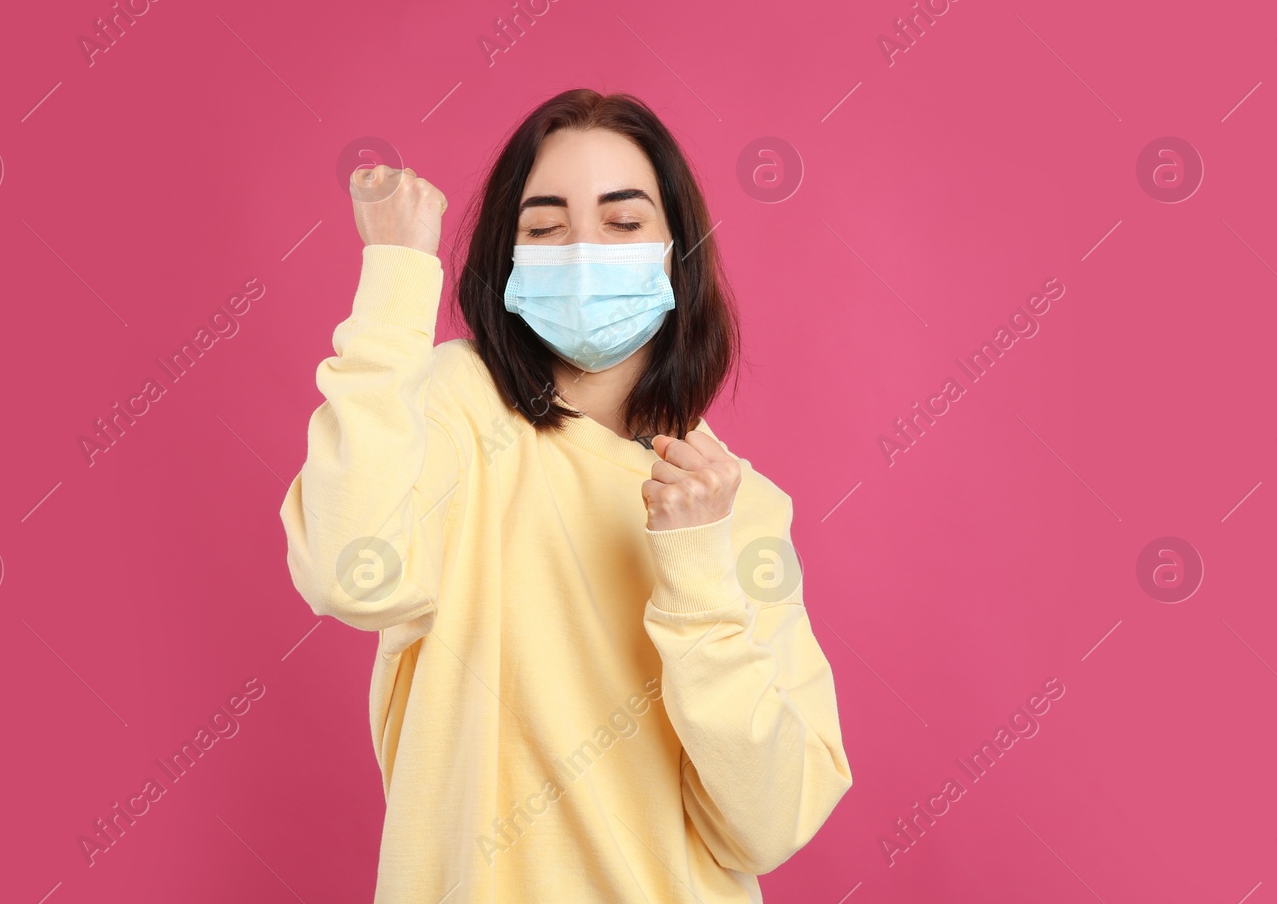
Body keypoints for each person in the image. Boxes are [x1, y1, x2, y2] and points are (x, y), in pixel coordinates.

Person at [280, 88, 853, 902]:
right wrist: (396, 279)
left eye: (622, 224)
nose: (583, 250)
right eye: (546, 227)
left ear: (675, 253)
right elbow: (347, 571)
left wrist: (694, 568)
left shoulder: (737, 504)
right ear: (508, 260)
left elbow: (766, 822)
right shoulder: (458, 405)